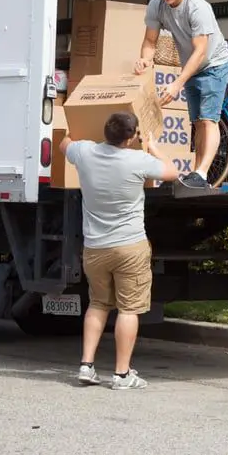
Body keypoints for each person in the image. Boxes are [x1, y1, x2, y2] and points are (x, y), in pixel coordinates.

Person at [60, 112, 180, 389]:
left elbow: (64, 142)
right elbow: (173, 172)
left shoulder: (85, 153)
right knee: (128, 309)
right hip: (130, 246)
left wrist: (81, 128)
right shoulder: (137, 160)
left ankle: (86, 366)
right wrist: (152, 146)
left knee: (98, 304)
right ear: (130, 137)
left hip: (95, 247)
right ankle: (122, 374)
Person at [135, 0, 228, 189]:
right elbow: (150, 41)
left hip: (214, 64)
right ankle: (198, 177)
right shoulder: (156, 5)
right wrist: (144, 60)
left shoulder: (197, 8)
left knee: (209, 119)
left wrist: (177, 83)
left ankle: (200, 173)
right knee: (197, 122)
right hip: (192, 66)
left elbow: (201, 52)